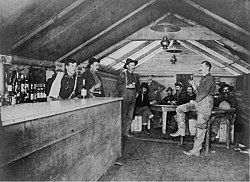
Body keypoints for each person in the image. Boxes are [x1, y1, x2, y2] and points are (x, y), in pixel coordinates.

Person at [170, 61, 216, 156]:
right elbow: (199, 92)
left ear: (207, 68)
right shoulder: (203, 79)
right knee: (179, 109)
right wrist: (193, 85)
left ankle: (196, 150)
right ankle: (181, 130)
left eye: (202, 66)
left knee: (200, 127)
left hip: (205, 105)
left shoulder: (210, 79)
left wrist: (195, 102)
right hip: (199, 102)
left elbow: (203, 94)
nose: (200, 68)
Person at [116, 58, 140, 138]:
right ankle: (120, 133)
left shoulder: (135, 76)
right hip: (125, 96)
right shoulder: (123, 74)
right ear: (127, 66)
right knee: (124, 115)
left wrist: (137, 93)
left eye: (134, 65)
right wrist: (127, 86)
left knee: (130, 115)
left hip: (133, 96)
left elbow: (138, 87)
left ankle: (126, 132)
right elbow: (118, 86)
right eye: (131, 65)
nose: (133, 67)